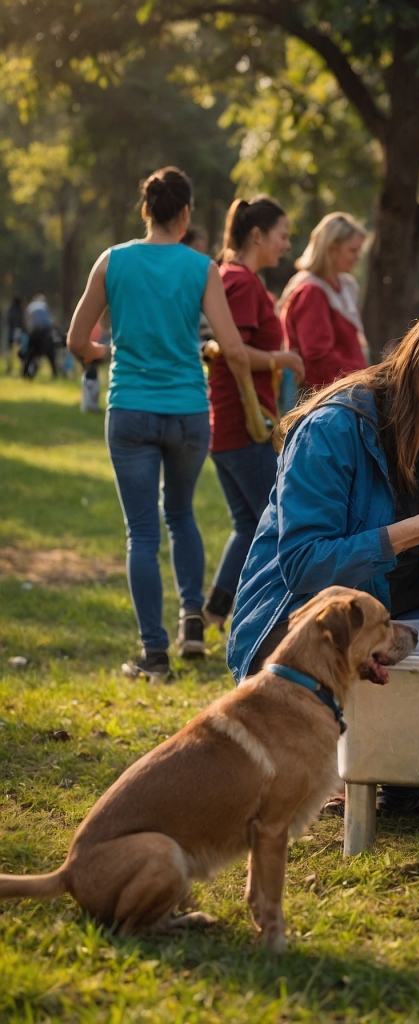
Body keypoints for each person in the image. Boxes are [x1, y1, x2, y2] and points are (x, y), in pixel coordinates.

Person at [227, 306, 419, 814]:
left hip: (401, 622)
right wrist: (409, 533)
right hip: (302, 627)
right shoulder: (333, 428)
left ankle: (393, 769)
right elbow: (304, 566)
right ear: (416, 363)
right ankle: (366, 767)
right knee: (402, 763)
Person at [66, 166, 271, 683]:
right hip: (187, 411)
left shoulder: (112, 261)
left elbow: (76, 340)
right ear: (184, 214)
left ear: (145, 210)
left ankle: (153, 655)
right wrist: (252, 400)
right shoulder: (201, 267)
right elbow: (230, 347)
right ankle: (193, 623)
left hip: (130, 409)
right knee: (181, 515)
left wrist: (105, 351)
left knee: (142, 533)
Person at [203, 197, 306, 630]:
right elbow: (234, 352)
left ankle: (207, 616)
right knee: (280, 522)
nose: (286, 245)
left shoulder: (236, 278)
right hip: (242, 423)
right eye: (282, 235)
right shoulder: (241, 282)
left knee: (249, 525)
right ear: (258, 235)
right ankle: (269, 620)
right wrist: (283, 358)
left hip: (233, 423)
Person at [279, 212, 368, 393]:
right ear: (331, 249)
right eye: (352, 250)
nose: (358, 256)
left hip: (346, 389)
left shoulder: (344, 285)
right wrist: (361, 380)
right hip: (327, 396)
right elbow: (318, 359)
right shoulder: (311, 291)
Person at [22, 294, 57, 380]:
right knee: (50, 354)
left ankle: (25, 373)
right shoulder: (44, 305)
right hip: (45, 331)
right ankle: (54, 374)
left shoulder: (30, 306)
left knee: (30, 353)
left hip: (35, 332)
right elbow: (48, 318)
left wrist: (29, 331)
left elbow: (27, 320)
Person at [4, 295, 21, 374]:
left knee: (10, 350)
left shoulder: (11, 310)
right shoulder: (19, 310)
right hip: (17, 331)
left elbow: (8, 320)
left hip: (11, 331)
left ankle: (10, 367)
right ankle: (19, 368)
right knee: (18, 349)